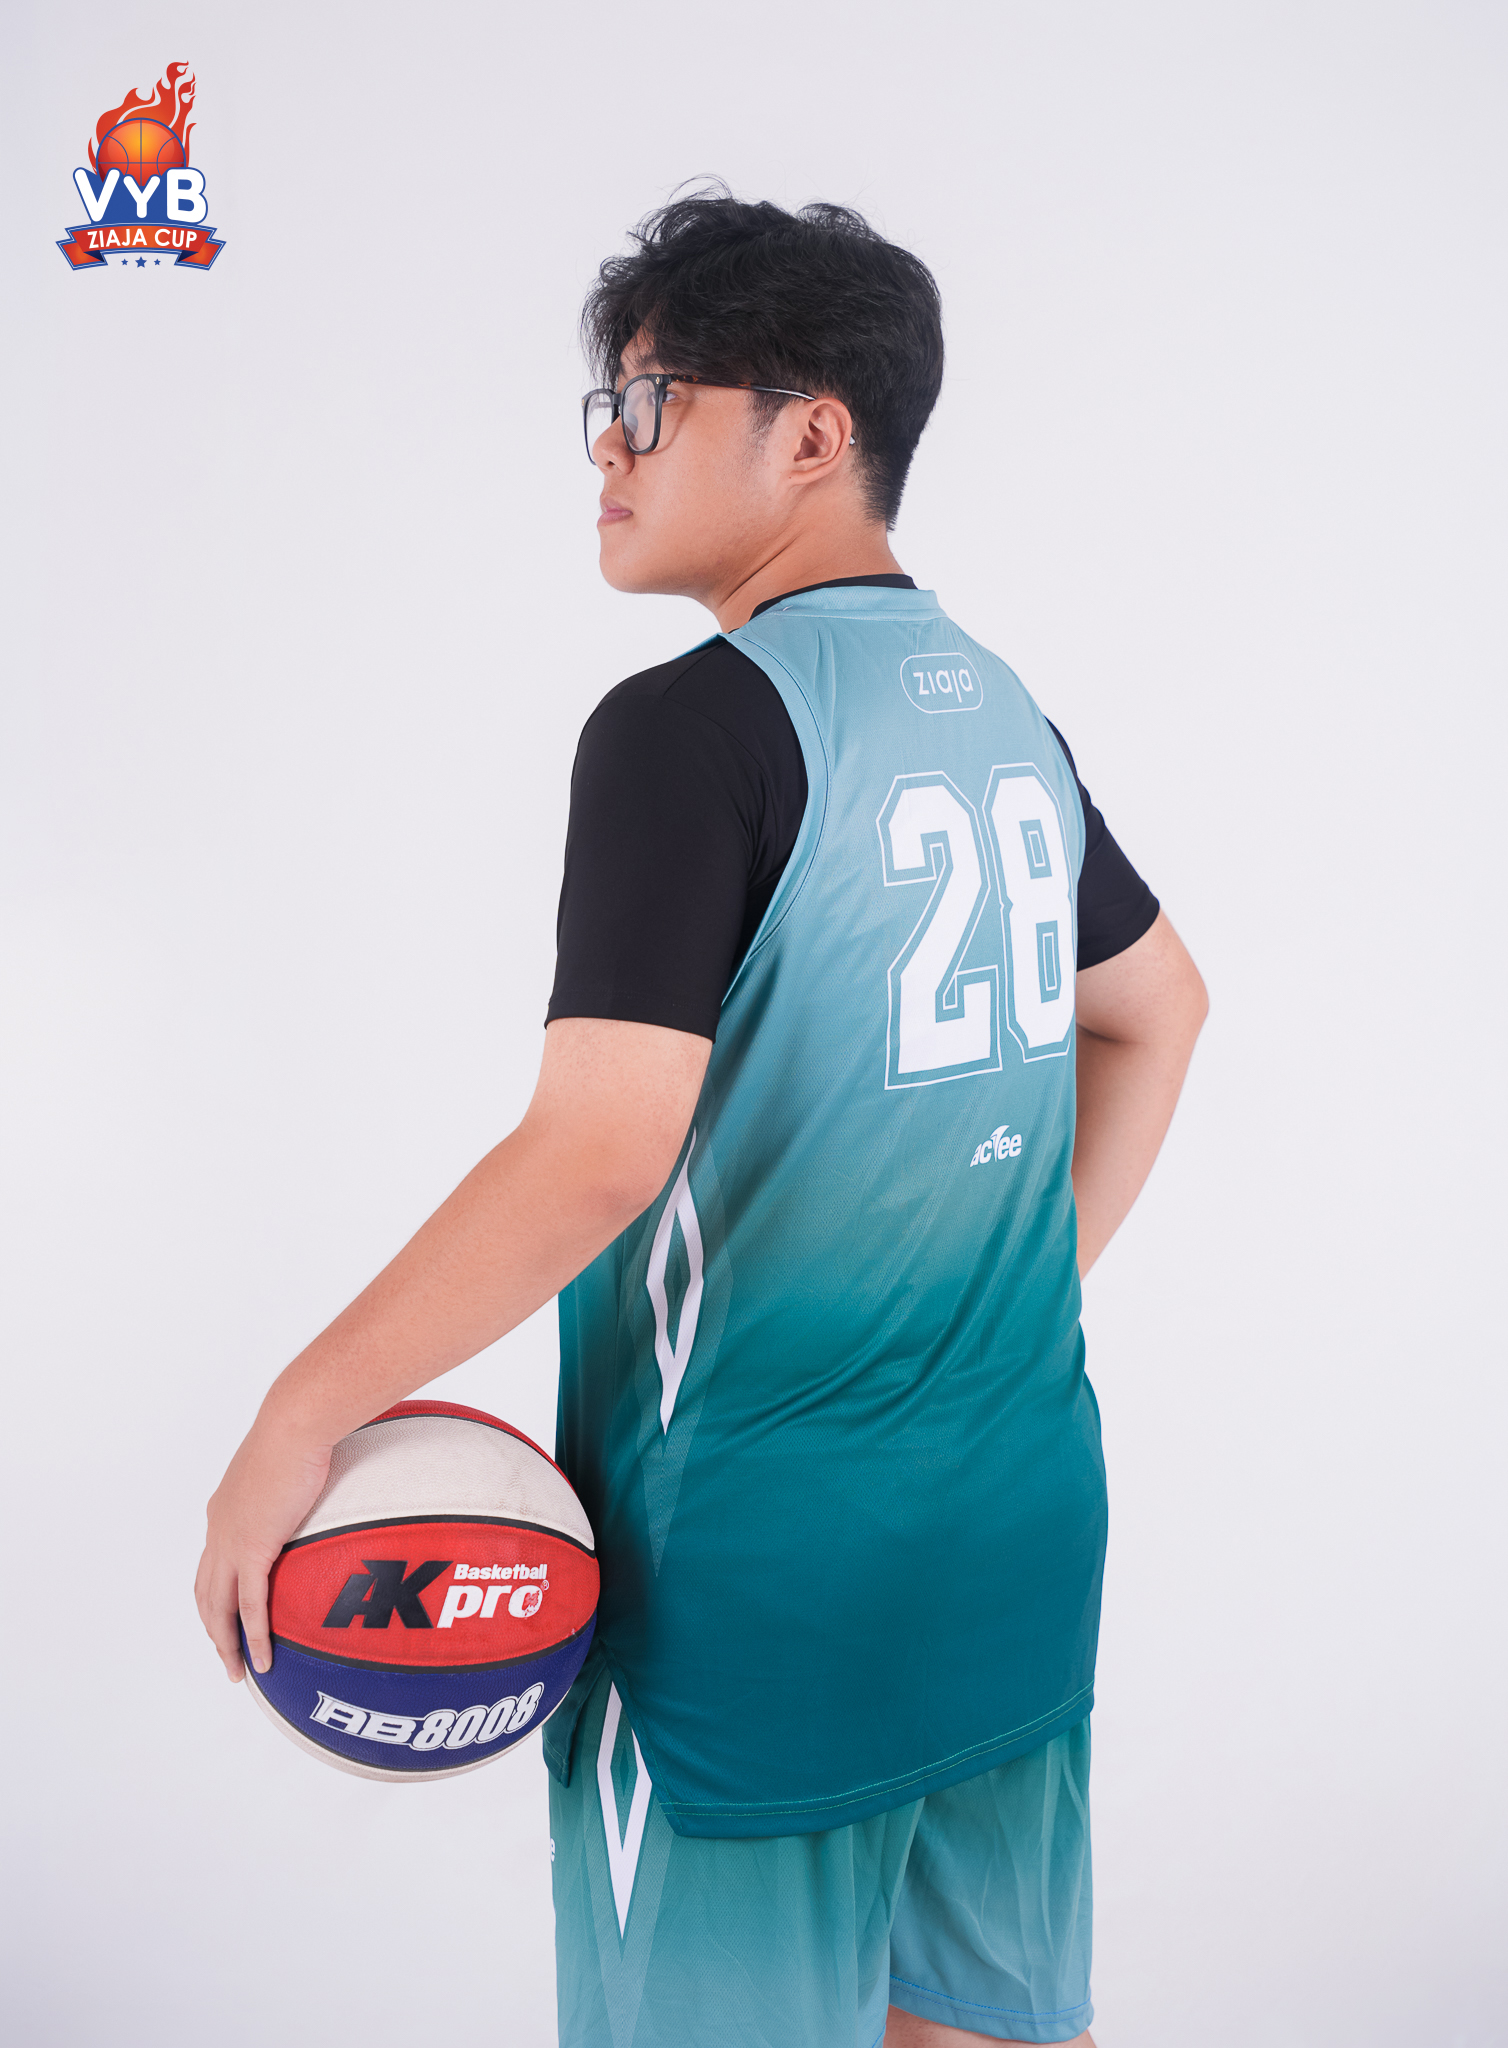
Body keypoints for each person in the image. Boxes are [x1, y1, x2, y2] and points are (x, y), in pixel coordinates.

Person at [196, 192, 1207, 2048]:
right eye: (606, 404)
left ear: (813, 433)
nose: (608, 447)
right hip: (1016, 1533)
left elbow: (598, 1152)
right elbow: (1162, 1010)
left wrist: (298, 1414)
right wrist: (996, 1304)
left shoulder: (691, 729)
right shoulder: (1004, 717)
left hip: (758, 1590)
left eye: (652, 401)